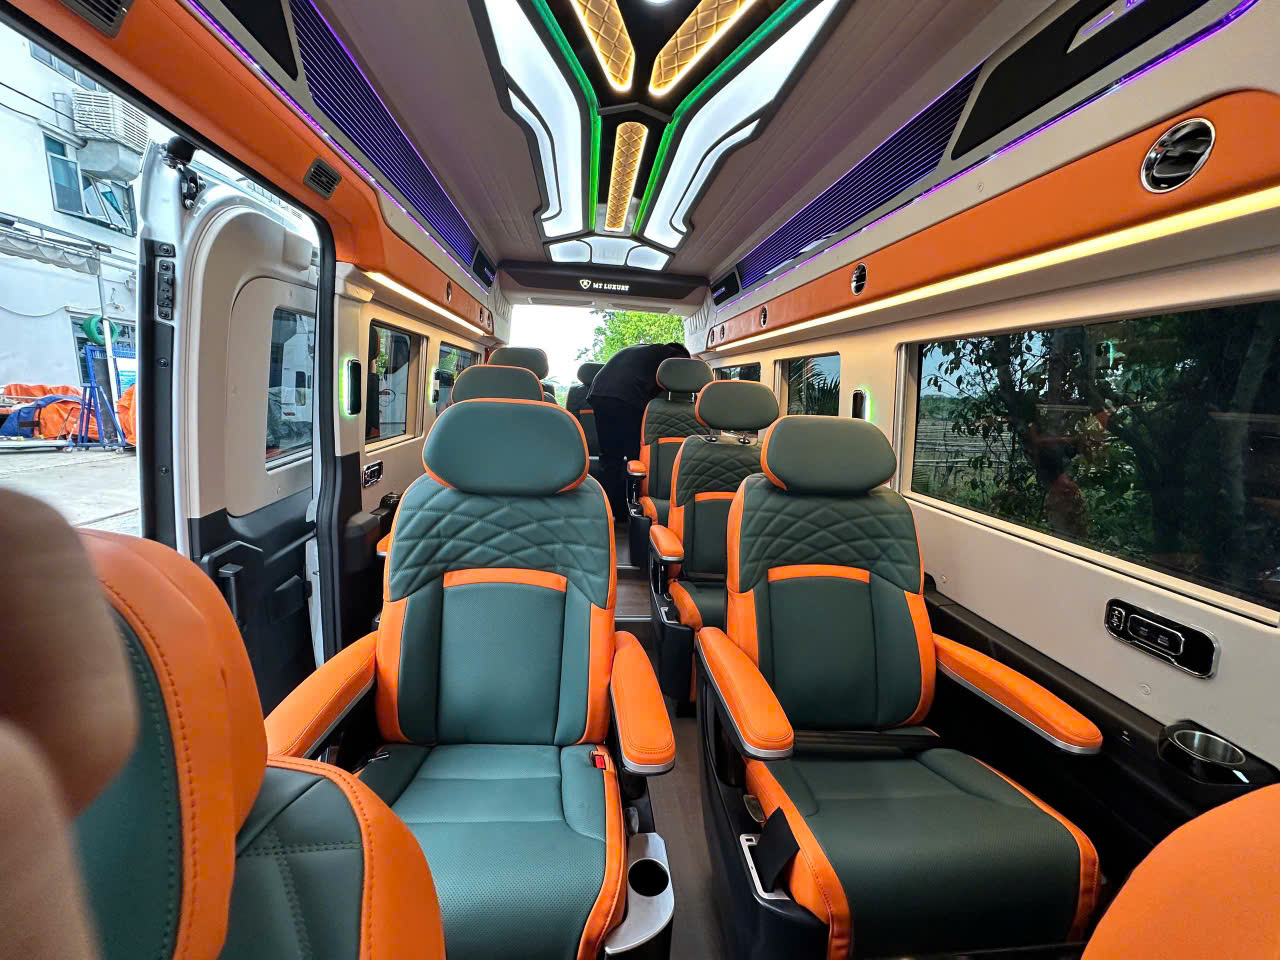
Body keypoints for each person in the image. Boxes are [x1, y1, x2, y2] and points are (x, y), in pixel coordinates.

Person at [588, 341, 690, 517]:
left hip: (599, 392)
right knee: (636, 456)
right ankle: (629, 511)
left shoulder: (646, 351)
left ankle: (608, 512)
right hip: (626, 396)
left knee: (610, 458)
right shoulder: (673, 356)